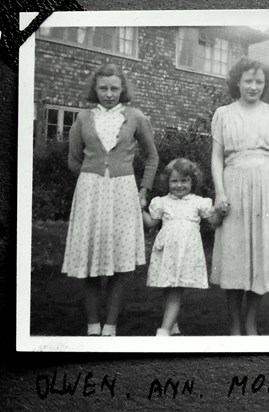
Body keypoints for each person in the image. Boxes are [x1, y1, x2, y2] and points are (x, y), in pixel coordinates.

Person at [62, 63, 159, 337]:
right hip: (90, 192)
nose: (108, 93)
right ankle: (93, 325)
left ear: (122, 89)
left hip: (123, 191)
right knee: (89, 259)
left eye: (114, 88)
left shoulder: (135, 116)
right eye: (103, 88)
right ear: (95, 88)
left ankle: (111, 326)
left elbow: (152, 156)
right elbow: (73, 159)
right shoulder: (83, 118)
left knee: (120, 261)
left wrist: (143, 190)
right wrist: (92, 176)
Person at [210, 57, 269, 336]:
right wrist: (220, 192)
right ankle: (235, 325)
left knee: (260, 254)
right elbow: (216, 157)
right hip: (234, 183)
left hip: (266, 186)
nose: (254, 86)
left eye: (259, 81)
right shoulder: (224, 114)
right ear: (237, 82)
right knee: (234, 255)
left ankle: (251, 323)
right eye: (248, 81)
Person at [142, 158, 223, 336]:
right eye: (174, 181)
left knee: (175, 291)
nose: (179, 185)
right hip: (167, 252)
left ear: (192, 181)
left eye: (184, 180)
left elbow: (213, 221)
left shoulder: (198, 202)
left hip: (186, 253)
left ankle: (163, 331)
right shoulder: (161, 202)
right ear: (167, 182)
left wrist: (220, 212)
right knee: (168, 288)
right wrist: (140, 210)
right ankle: (173, 326)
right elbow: (151, 223)